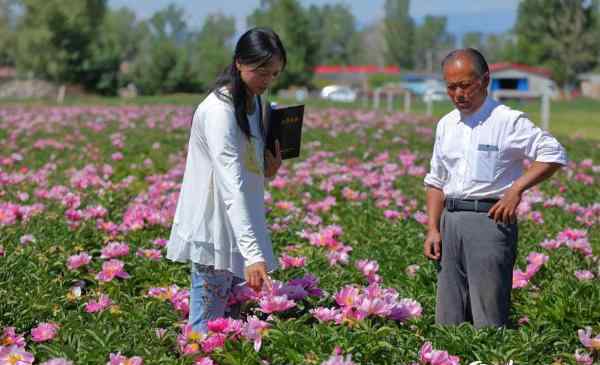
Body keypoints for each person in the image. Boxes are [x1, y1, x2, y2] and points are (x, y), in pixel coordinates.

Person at [423, 48, 567, 328]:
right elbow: (436, 180)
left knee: (488, 316)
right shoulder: (446, 124)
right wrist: (432, 227)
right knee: (448, 317)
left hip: (489, 221)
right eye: (451, 87)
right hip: (450, 220)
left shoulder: (507, 121)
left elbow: (553, 153)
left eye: (465, 85)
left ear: (485, 80)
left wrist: (516, 189)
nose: (458, 95)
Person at [166, 27, 286, 334]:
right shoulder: (219, 110)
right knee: (206, 328)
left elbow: (247, 172)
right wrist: (254, 254)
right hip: (215, 230)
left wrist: (268, 168)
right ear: (238, 63)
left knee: (231, 327)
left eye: (274, 74)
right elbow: (231, 186)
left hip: (240, 228)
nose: (267, 81)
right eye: (261, 72)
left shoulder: (256, 103)